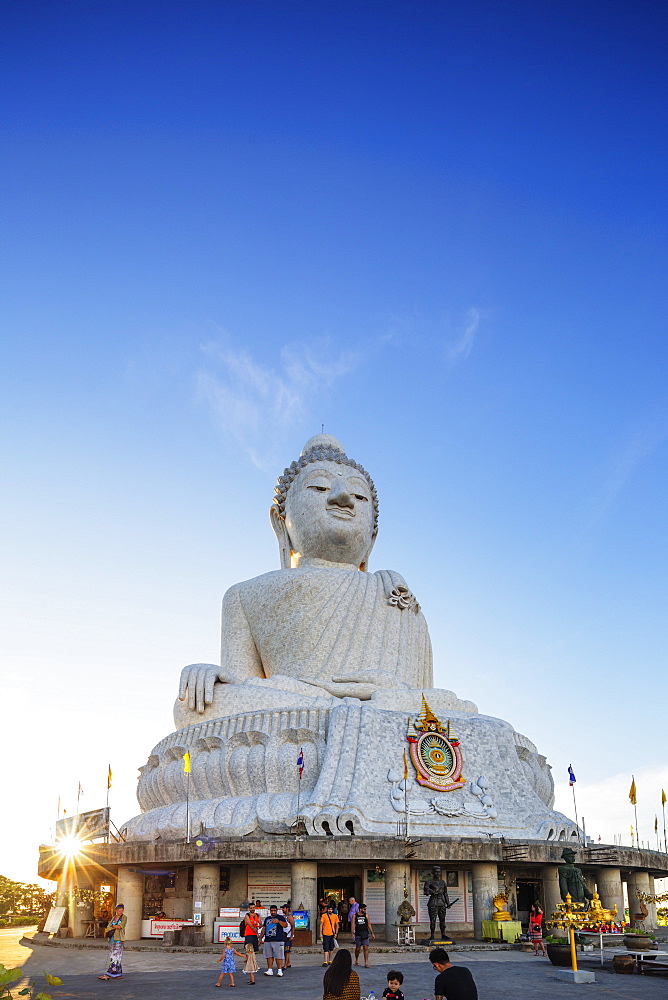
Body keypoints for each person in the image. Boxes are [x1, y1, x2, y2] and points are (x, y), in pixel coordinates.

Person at [176, 435, 433, 726]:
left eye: (360, 496)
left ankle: (346, 713)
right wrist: (212, 681)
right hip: (294, 712)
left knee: (487, 728)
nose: (343, 498)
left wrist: (389, 693)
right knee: (193, 706)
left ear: (373, 535)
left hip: (383, 710)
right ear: (279, 522)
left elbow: (426, 700)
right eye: (319, 487)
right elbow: (242, 692)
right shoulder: (243, 595)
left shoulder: (393, 593)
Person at [97, 903, 127, 981]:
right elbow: (108, 927)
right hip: (112, 938)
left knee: (115, 956)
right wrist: (114, 926)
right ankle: (118, 973)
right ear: (116, 911)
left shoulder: (124, 917)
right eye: (119, 911)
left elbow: (121, 926)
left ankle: (108, 974)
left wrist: (113, 926)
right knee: (116, 956)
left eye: (122, 910)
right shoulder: (114, 918)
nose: (121, 912)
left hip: (119, 938)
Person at [259, 904, 288, 976]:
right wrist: (260, 938)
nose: (273, 912)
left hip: (278, 940)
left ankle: (279, 970)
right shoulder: (267, 918)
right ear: (270, 911)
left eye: (274, 910)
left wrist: (278, 922)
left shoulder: (280, 917)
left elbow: (285, 925)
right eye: (272, 911)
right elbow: (264, 928)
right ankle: (270, 969)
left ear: (277, 911)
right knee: (269, 956)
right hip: (268, 940)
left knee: (279, 956)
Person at [352, 903, 375, 968]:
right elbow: (353, 924)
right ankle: (356, 960)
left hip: (365, 933)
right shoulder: (355, 916)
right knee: (358, 948)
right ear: (360, 909)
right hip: (358, 933)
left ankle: (366, 962)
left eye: (365, 909)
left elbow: (369, 924)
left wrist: (372, 933)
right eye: (364, 909)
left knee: (366, 948)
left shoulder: (366, 915)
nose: (365, 910)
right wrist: (352, 933)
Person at [281, 904, 295, 968]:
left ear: (287, 909)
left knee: (287, 951)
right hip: (284, 935)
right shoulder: (284, 916)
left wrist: (292, 935)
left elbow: (293, 926)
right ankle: (288, 962)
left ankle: (285, 965)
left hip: (288, 935)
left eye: (283, 908)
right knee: (285, 950)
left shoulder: (290, 917)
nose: (282, 910)